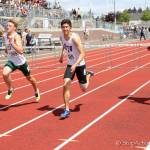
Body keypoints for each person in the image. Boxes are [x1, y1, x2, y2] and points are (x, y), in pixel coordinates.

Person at [59, 19, 94, 119]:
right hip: (70, 64)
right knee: (65, 84)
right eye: (63, 27)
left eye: (66, 27)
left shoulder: (75, 38)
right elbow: (64, 45)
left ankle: (88, 75)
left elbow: (83, 53)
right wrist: (62, 55)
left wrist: (76, 64)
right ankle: (66, 109)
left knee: (84, 88)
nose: (65, 29)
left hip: (80, 64)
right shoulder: (61, 36)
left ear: (70, 28)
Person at [2, 19, 40, 101]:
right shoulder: (5, 36)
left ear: (14, 28)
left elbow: (21, 50)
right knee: (5, 73)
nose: (7, 27)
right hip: (12, 61)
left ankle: (36, 90)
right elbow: (7, 47)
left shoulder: (16, 37)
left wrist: (12, 43)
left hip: (21, 62)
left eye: (10, 26)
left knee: (30, 78)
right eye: (7, 25)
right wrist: (6, 49)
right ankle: (10, 88)